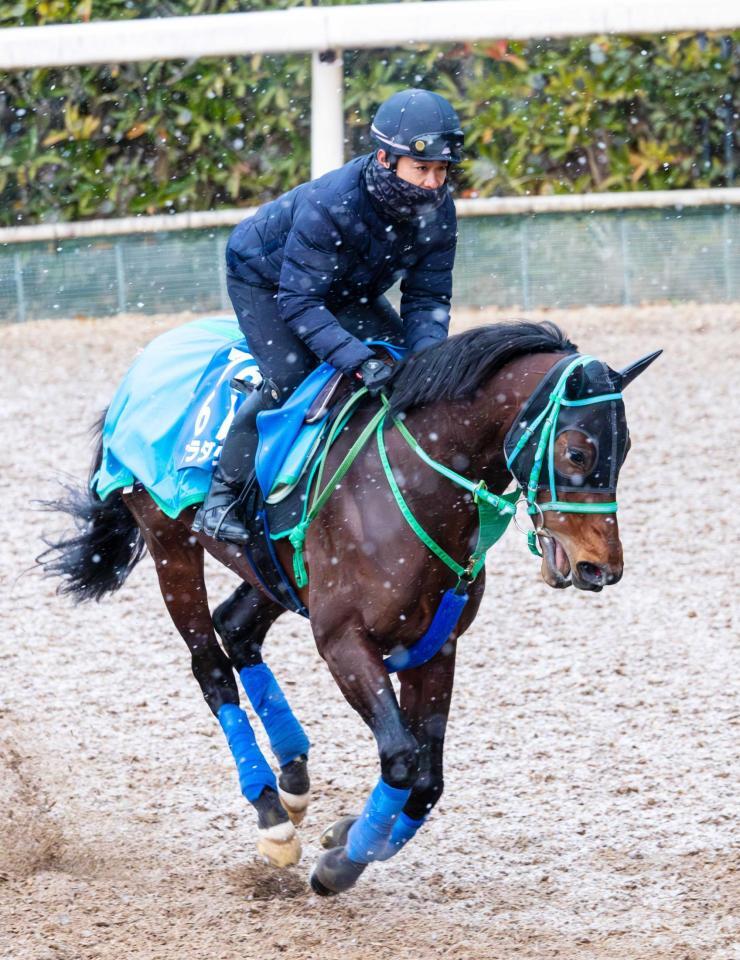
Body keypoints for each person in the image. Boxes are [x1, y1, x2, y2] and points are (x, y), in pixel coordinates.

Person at [193, 88, 464, 544]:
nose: (434, 183)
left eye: (442, 170)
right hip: (268, 281)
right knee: (292, 376)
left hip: (348, 287)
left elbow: (426, 298)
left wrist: (428, 363)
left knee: (407, 370)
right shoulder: (331, 202)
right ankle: (221, 497)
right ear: (384, 158)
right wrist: (357, 361)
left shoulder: (440, 211)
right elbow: (299, 303)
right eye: (422, 168)